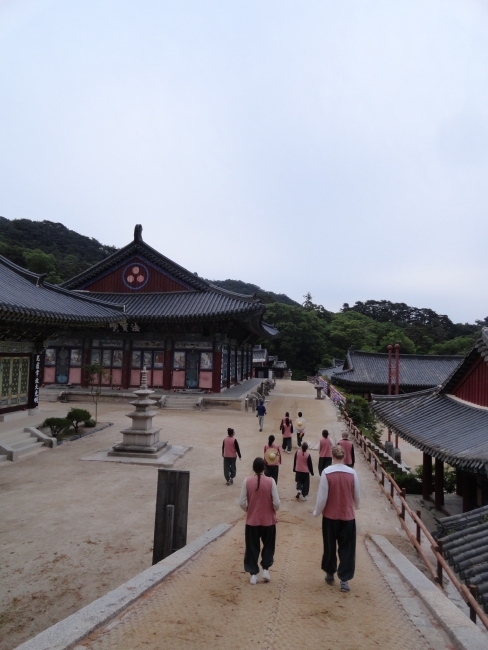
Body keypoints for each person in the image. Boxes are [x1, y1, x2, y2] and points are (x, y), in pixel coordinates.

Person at [313, 444, 360, 593]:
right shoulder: (352, 473)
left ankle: (329, 571)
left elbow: (322, 497)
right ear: (344, 457)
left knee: (329, 545)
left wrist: (317, 511)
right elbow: (356, 494)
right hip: (347, 515)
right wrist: (356, 506)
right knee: (347, 547)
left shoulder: (327, 473)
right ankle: (344, 579)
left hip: (330, 516)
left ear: (333, 457)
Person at [239, 457, 280, 584]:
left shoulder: (247, 481)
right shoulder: (271, 481)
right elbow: (276, 503)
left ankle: (253, 574)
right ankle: (266, 570)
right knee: (268, 545)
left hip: (252, 521)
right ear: (264, 468)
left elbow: (241, 502)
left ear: (253, 467)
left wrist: (248, 510)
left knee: (252, 547)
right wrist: (273, 510)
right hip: (268, 520)